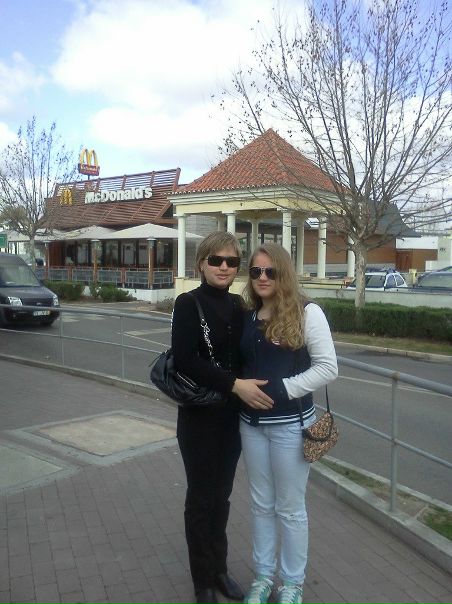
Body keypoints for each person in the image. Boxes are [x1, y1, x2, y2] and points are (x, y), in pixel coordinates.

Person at [172, 232, 273, 604]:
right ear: (202, 263)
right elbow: (185, 359)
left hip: (231, 419)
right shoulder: (188, 303)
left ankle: (220, 569)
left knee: (222, 497)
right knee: (201, 499)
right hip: (199, 417)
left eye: (232, 261)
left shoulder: (239, 306)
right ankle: (202, 579)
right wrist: (234, 384)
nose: (224, 267)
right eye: (216, 260)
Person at [239, 243, 338, 604]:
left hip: (289, 427)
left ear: (284, 272)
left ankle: (292, 583)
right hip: (251, 425)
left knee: (291, 508)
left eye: (271, 271)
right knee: (260, 504)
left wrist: (283, 389)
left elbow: (328, 368)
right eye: (256, 271)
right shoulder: (249, 314)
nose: (263, 277)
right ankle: (264, 576)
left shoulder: (307, 312)